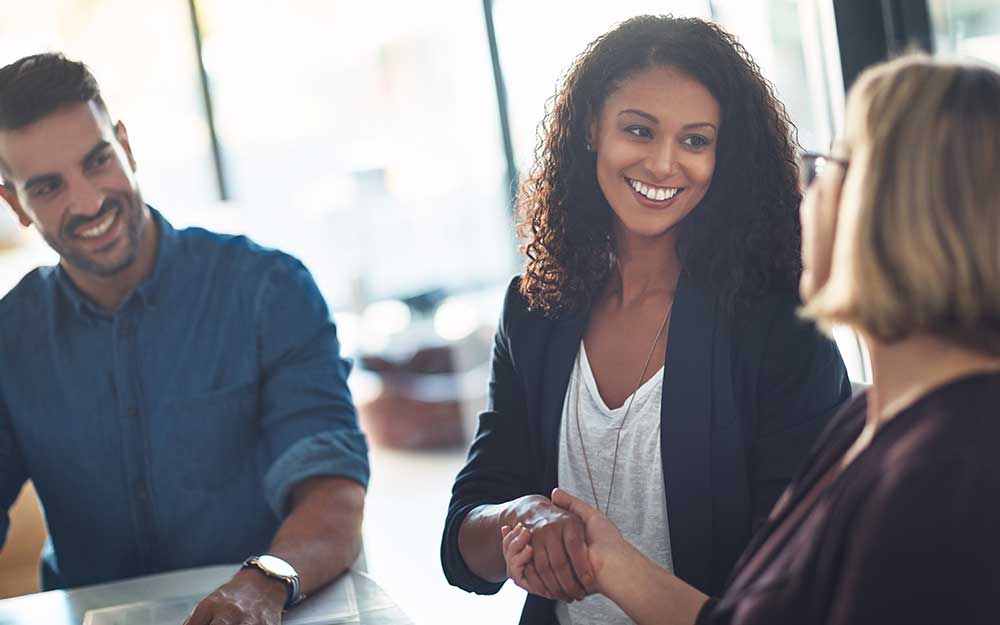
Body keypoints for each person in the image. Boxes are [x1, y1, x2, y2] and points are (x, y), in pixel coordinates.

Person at [506, 54, 1000, 625]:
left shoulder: (952, 473)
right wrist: (607, 560)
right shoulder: (867, 427)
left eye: (826, 168)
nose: (802, 191)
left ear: (897, 211)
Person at [442, 15, 851, 625]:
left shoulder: (779, 330)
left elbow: (801, 592)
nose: (663, 164)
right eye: (639, 130)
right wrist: (516, 518)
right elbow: (462, 538)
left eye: (695, 140)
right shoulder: (533, 310)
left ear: (724, 154)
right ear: (591, 130)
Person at [0, 53, 369, 625]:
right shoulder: (9, 338)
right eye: (48, 188)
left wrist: (260, 584)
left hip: (272, 610)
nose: (89, 201)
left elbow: (333, 493)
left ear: (125, 144)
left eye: (98, 161)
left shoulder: (268, 291)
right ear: (14, 204)